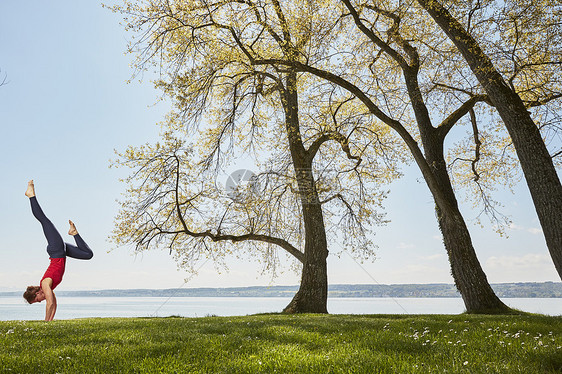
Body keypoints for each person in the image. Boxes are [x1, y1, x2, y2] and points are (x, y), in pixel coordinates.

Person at [22, 180, 93, 321]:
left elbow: (49, 303)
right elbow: (54, 304)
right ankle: (74, 233)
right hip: (61, 251)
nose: (41, 301)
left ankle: (31, 195)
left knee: (44, 220)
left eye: (37, 300)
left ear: (37, 293)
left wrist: (45, 323)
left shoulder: (45, 284)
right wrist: (50, 321)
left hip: (56, 250)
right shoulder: (48, 287)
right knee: (88, 254)